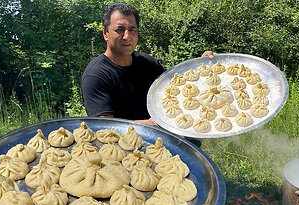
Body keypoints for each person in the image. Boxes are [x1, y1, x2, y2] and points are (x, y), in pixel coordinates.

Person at [81, 2, 214, 127]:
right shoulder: (96, 76)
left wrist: (199, 67)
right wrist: (152, 124)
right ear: (105, 33)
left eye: (132, 29)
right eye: (120, 29)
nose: (127, 36)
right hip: (125, 148)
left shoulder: (147, 63)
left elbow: (177, 86)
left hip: (162, 139)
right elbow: (105, 127)